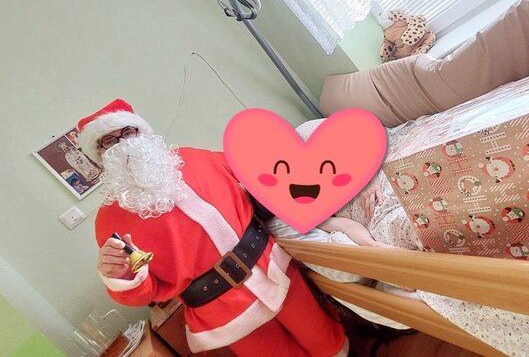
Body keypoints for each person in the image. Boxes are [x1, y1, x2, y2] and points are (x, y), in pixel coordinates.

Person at [77, 99, 347, 356]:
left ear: (142, 132)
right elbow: (143, 290)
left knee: (326, 340)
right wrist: (120, 275)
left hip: (274, 269)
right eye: (109, 141)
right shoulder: (108, 221)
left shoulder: (194, 158)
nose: (124, 144)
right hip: (220, 311)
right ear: (100, 156)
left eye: (128, 132)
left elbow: (260, 175)